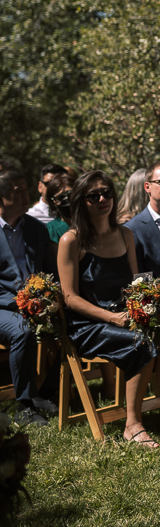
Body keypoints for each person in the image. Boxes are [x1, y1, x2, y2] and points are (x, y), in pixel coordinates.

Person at [57, 171, 159, 446]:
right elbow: (69, 297)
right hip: (87, 323)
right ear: (81, 201)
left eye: (107, 193)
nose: (103, 199)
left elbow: (137, 285)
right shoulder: (72, 240)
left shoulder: (125, 234)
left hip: (123, 314)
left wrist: (147, 309)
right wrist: (111, 317)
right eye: (94, 195)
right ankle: (133, 424)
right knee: (142, 343)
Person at [0, 168, 58, 425]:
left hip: (35, 301)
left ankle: (45, 392)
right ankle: (23, 404)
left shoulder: (35, 228)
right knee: (22, 330)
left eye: (26, 189)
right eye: (18, 191)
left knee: (72, 321)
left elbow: (49, 270)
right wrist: (19, 303)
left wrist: (48, 298)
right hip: (3, 306)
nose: (27, 196)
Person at [44, 173, 74, 246]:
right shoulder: (51, 230)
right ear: (52, 202)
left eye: (70, 195)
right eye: (60, 198)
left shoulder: (92, 223)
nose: (67, 200)